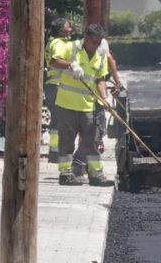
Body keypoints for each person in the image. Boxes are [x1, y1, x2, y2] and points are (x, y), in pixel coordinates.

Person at [49, 23, 124, 187]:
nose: (95, 45)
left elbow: (100, 79)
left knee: (92, 141)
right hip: (67, 104)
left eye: (98, 42)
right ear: (86, 38)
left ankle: (96, 175)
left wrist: (104, 98)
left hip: (88, 106)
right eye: (93, 41)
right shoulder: (71, 48)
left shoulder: (101, 55)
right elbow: (53, 61)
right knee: (67, 141)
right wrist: (70, 64)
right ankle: (66, 174)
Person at [43, 18, 75, 155]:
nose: (71, 29)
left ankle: (56, 149)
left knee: (59, 117)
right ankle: (56, 150)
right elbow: (54, 61)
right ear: (61, 30)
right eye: (68, 27)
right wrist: (71, 65)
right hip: (57, 86)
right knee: (60, 118)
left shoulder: (55, 42)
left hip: (54, 85)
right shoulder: (58, 44)